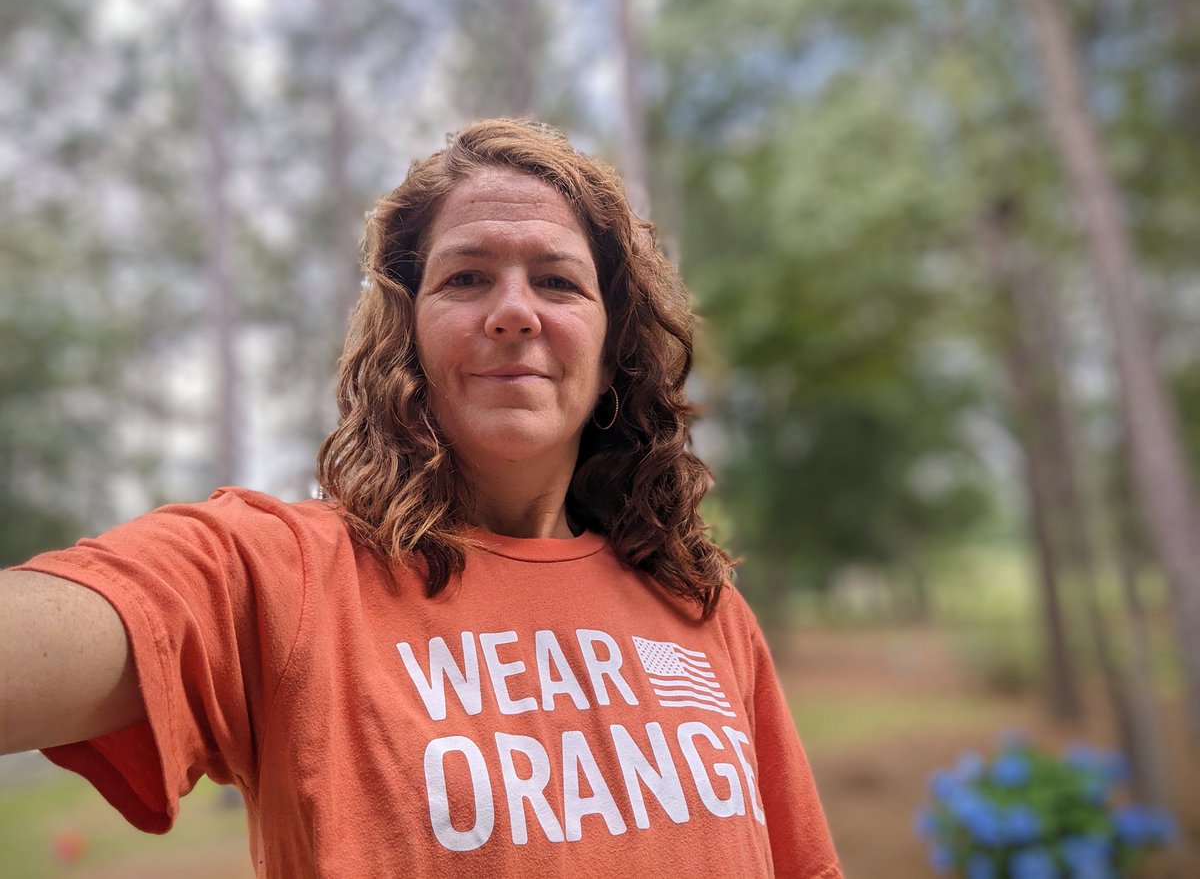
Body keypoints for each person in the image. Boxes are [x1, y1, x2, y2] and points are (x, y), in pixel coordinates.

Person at [1, 118, 843, 878]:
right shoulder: (283, 580)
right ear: (406, 332)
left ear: (614, 337)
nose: (514, 311)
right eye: (467, 278)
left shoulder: (701, 607)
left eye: (557, 282)